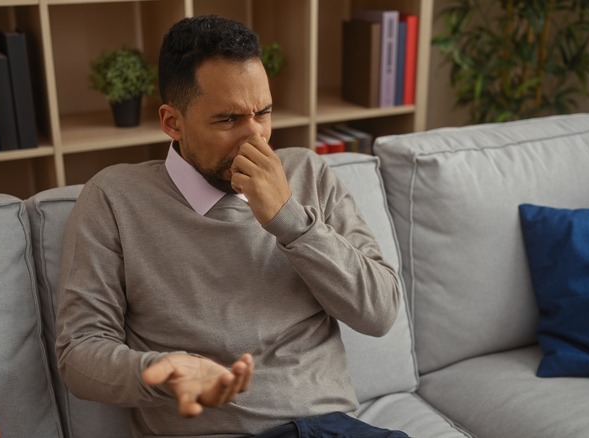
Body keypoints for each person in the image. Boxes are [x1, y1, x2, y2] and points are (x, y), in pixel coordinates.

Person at [55, 14, 406, 438]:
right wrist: (164, 373)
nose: (256, 138)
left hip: (330, 427)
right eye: (228, 120)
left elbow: (379, 313)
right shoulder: (115, 198)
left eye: (264, 113)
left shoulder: (308, 173)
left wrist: (290, 220)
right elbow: (78, 353)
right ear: (172, 122)